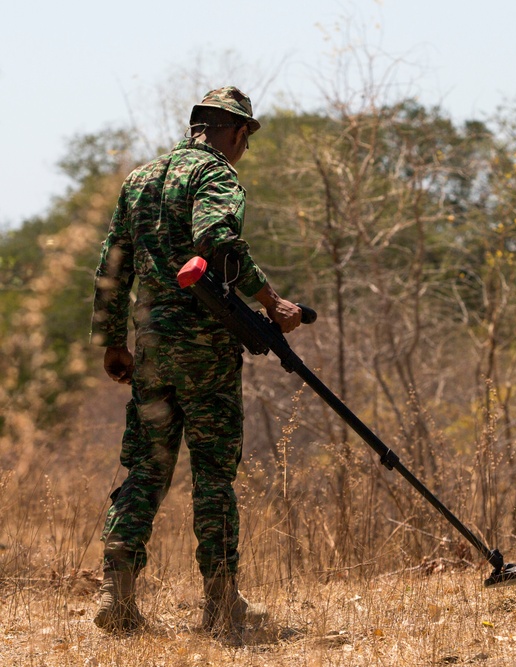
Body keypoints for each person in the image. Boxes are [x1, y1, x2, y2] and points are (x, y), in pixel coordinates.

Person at [90, 86, 302, 640]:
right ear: (230, 131)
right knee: (213, 475)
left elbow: (113, 263)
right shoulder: (215, 175)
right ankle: (221, 603)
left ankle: (117, 595)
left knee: (147, 469)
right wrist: (271, 301)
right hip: (205, 350)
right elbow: (220, 241)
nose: (245, 151)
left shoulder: (139, 180)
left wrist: (114, 341)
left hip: (153, 352)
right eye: (246, 138)